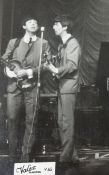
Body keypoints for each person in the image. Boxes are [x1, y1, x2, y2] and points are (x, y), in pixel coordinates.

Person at [1, 16, 50, 162]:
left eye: (35, 22)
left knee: (31, 120)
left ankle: (25, 154)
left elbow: (46, 65)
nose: (34, 24)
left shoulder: (44, 43)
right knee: (12, 118)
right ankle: (11, 154)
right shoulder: (14, 42)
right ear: (24, 26)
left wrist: (29, 72)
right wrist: (9, 72)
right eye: (30, 22)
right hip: (14, 87)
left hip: (33, 86)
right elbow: (5, 59)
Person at [45, 15, 81, 166]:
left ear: (65, 27)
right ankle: (73, 156)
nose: (54, 27)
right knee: (62, 122)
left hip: (68, 88)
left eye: (57, 24)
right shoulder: (62, 45)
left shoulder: (73, 43)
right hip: (63, 87)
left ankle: (65, 158)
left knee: (66, 122)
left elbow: (72, 65)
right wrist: (53, 67)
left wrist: (56, 69)